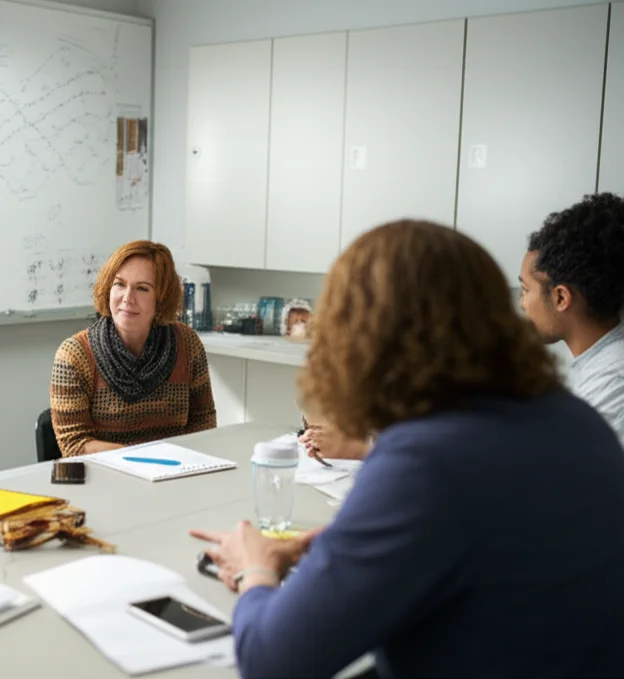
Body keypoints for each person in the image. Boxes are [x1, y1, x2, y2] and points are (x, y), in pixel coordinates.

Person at [192, 220, 624, 679]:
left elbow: (271, 662)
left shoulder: (426, 460)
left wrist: (253, 570)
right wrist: (352, 546)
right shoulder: (575, 420)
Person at [49, 240, 216, 455]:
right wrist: (141, 459)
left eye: (142, 288)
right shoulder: (74, 354)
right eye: (119, 284)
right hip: (106, 480)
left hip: (173, 475)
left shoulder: (187, 343)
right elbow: (74, 444)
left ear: (162, 298)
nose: (128, 298)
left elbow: (204, 424)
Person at [519, 192, 624, 446]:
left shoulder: (611, 388)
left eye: (525, 291)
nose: (522, 304)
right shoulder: (600, 363)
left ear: (561, 298)